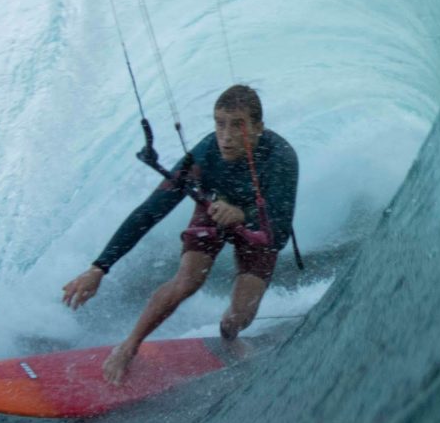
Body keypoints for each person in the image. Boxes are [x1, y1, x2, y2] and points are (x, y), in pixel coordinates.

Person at [62, 84, 299, 383]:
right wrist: (99, 267)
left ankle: (228, 334)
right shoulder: (204, 155)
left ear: (258, 128)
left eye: (237, 126)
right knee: (188, 279)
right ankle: (128, 346)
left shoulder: (281, 158)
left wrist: (242, 214)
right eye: (219, 123)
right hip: (213, 208)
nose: (225, 136)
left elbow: (278, 233)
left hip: (259, 227)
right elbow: (150, 211)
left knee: (241, 316)